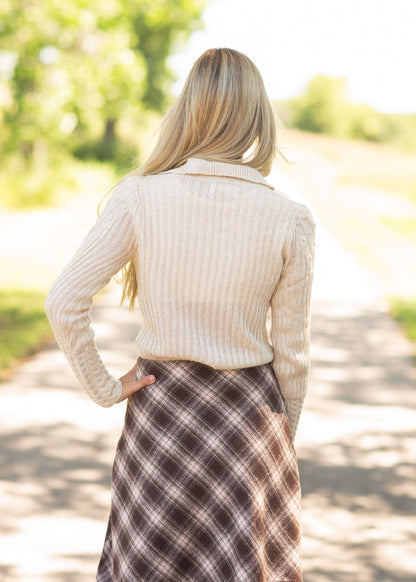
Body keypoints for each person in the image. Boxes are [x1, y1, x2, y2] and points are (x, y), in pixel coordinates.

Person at [45, 47, 315, 582]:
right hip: (247, 430)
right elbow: (293, 354)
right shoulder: (290, 218)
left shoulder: (140, 197)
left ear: (188, 110)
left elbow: (63, 300)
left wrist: (105, 387)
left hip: (161, 417)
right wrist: (282, 439)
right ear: (257, 117)